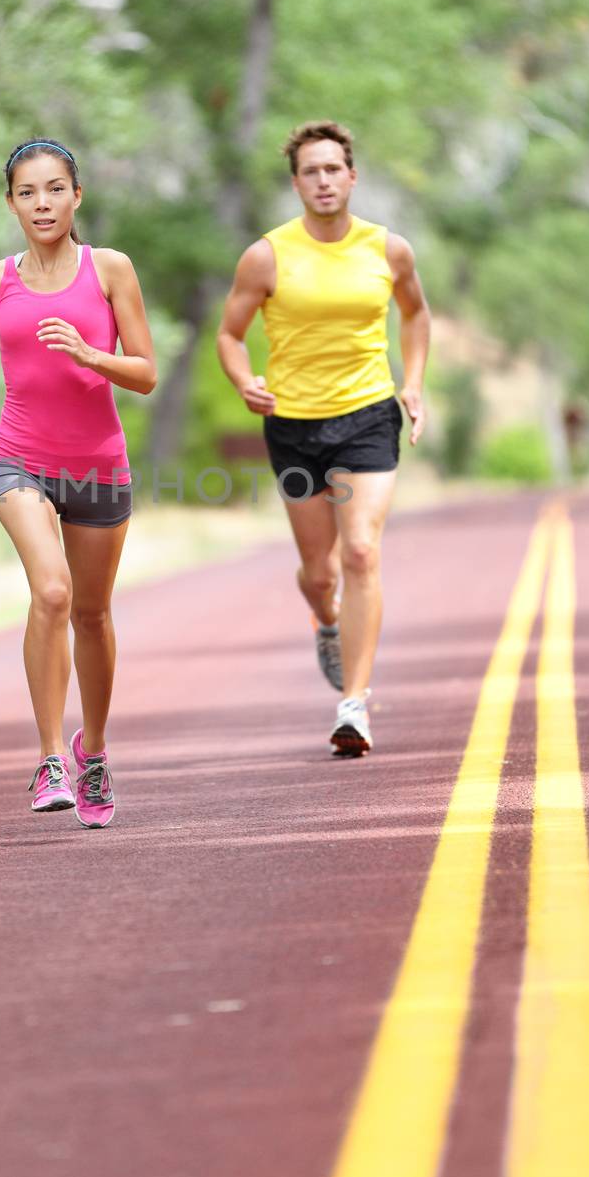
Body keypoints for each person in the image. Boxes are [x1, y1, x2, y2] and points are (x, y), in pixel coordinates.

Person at [216, 120, 430, 757]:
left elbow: (416, 313)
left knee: (361, 550)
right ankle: (328, 621)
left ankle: (353, 705)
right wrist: (241, 380)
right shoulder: (267, 255)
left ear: (352, 176)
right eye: (311, 171)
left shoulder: (387, 250)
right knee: (319, 571)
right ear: (297, 182)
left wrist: (412, 383)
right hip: (293, 426)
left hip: (367, 415)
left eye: (334, 168)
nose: (324, 180)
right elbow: (229, 333)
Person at [0, 138, 156, 825]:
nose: (40, 203)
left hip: (98, 464)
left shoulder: (109, 270)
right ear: (10, 201)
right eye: (26, 192)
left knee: (92, 615)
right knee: (50, 590)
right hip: (18, 456)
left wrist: (90, 354)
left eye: (53, 189)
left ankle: (93, 752)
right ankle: (49, 758)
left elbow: (145, 371)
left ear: (77, 196)